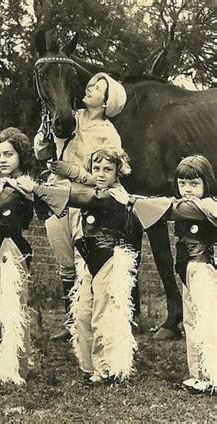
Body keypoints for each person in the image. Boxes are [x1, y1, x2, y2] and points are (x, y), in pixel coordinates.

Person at [18, 146, 140, 384]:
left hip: (109, 259)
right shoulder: (94, 188)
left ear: (118, 173)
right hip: (89, 261)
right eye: (97, 168)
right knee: (82, 314)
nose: (102, 174)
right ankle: (88, 366)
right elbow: (71, 191)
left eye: (108, 169)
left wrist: (36, 188)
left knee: (103, 314)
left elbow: (80, 197)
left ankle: (106, 369)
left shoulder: (113, 194)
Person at [110, 155, 216, 394]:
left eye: (194, 184)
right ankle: (198, 374)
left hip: (204, 269)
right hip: (189, 270)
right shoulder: (193, 204)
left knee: (208, 321)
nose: (187, 190)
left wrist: (130, 200)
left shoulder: (205, 205)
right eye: (182, 184)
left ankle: (212, 374)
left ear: (206, 183)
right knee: (191, 321)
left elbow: (170, 207)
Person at [34, 73, 127, 339]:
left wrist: (73, 171)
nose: (90, 88)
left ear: (108, 102)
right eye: (91, 84)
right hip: (56, 194)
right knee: (64, 262)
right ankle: (71, 323)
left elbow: (107, 178)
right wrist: (43, 137)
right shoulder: (68, 118)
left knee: (83, 261)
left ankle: (90, 324)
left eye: (98, 88)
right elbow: (41, 151)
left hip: (86, 202)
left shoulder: (109, 135)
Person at [0, 128, 35, 385]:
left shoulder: (23, 186)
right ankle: (7, 360)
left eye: (8, 154)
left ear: (21, 155)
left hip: (13, 246)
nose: (2, 160)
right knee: (5, 303)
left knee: (14, 306)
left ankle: (16, 369)